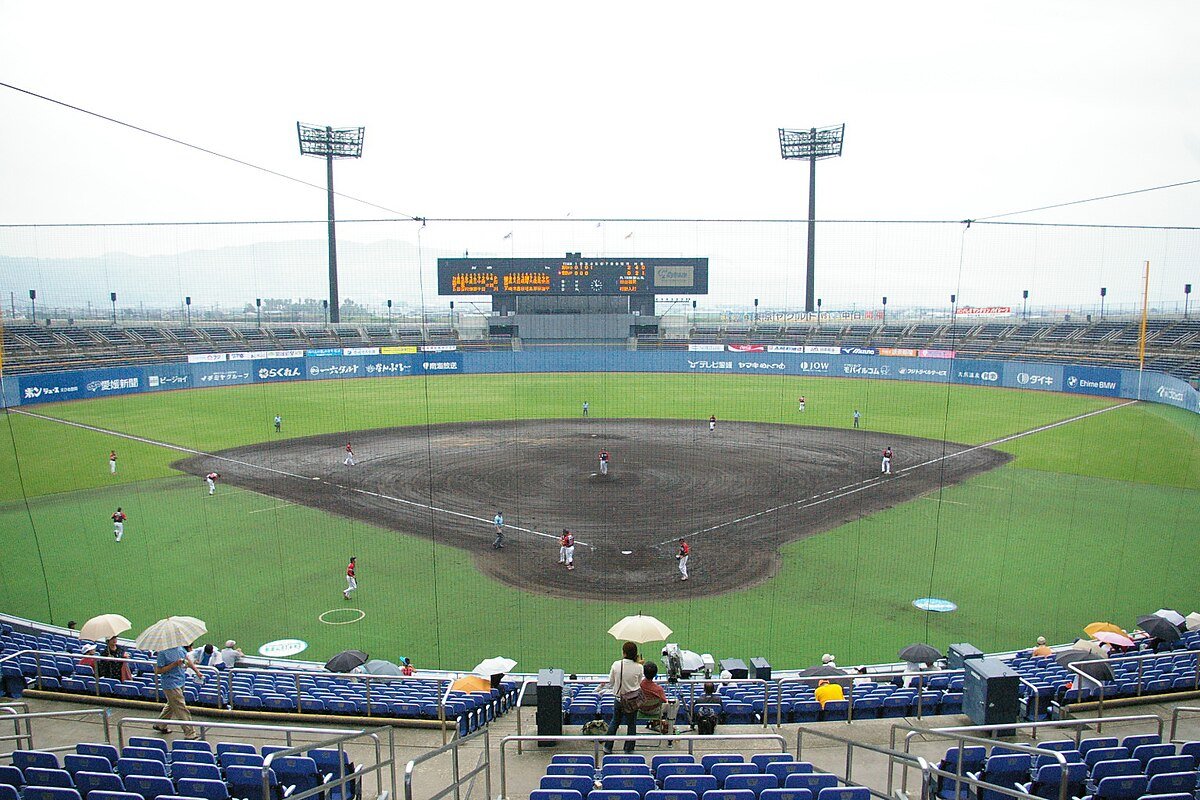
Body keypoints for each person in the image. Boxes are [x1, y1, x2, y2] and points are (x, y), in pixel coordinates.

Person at [153, 643, 203, 739]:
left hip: (180, 681)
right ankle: (190, 733)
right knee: (180, 707)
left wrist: (197, 671)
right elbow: (159, 670)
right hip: (170, 684)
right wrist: (174, 664)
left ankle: (160, 724)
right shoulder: (163, 653)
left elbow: (187, 661)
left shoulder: (180, 648)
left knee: (172, 705)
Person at [603, 641, 643, 754]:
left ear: (624, 653)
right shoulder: (639, 667)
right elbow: (639, 683)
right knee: (631, 724)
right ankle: (629, 749)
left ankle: (608, 747)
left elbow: (610, 682)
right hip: (632, 700)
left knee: (615, 722)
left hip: (619, 699)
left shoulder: (616, 664)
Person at [640, 662, 669, 732]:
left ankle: (657, 722)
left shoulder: (639, 684)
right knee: (674, 703)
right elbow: (664, 701)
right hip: (654, 711)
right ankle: (668, 725)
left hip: (641, 709)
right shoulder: (658, 689)